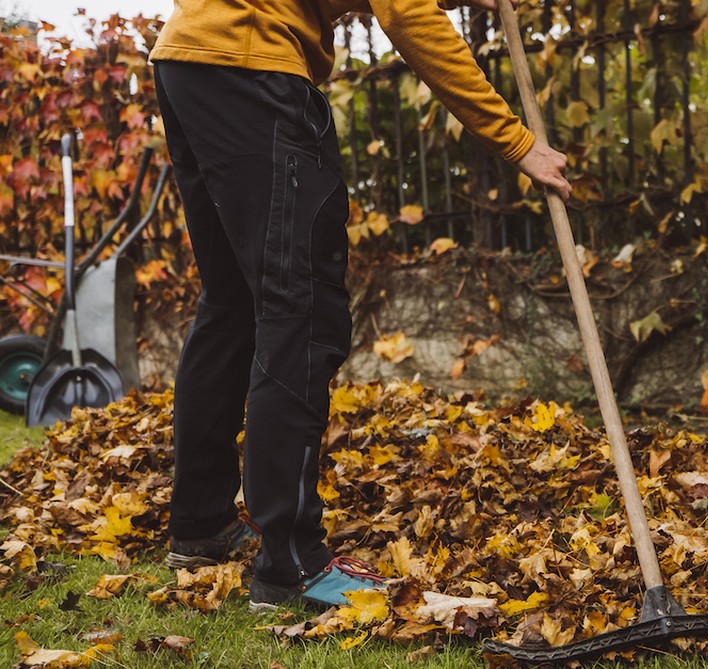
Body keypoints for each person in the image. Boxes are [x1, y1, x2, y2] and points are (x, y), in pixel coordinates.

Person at [151, 0, 571, 611]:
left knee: (235, 306)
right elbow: (406, 14)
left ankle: (200, 523)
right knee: (302, 310)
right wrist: (516, 143)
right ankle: (290, 565)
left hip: (192, 60)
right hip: (251, 67)